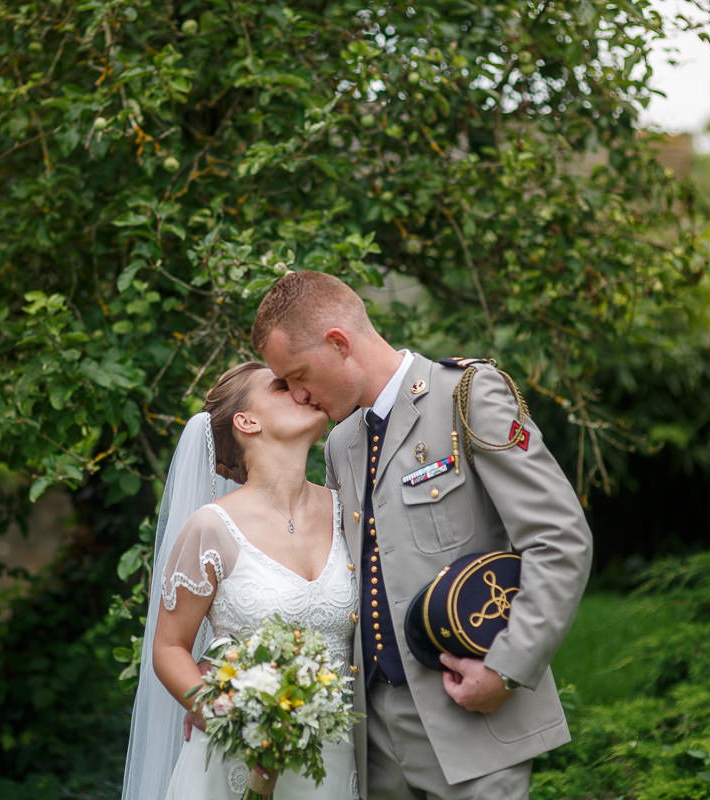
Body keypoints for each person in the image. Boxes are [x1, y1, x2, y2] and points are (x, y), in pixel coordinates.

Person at [252, 271, 593, 800]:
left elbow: (560, 538)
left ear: (339, 343)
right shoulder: (341, 443)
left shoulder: (467, 396)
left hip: (470, 714)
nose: (297, 395)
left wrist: (507, 667)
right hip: (374, 734)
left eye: (297, 374)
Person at [120, 361, 361, 800]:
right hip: (235, 764)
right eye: (282, 387)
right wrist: (221, 713)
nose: (303, 392)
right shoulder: (211, 528)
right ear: (247, 422)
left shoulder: (351, 512)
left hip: (335, 762)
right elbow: (169, 647)